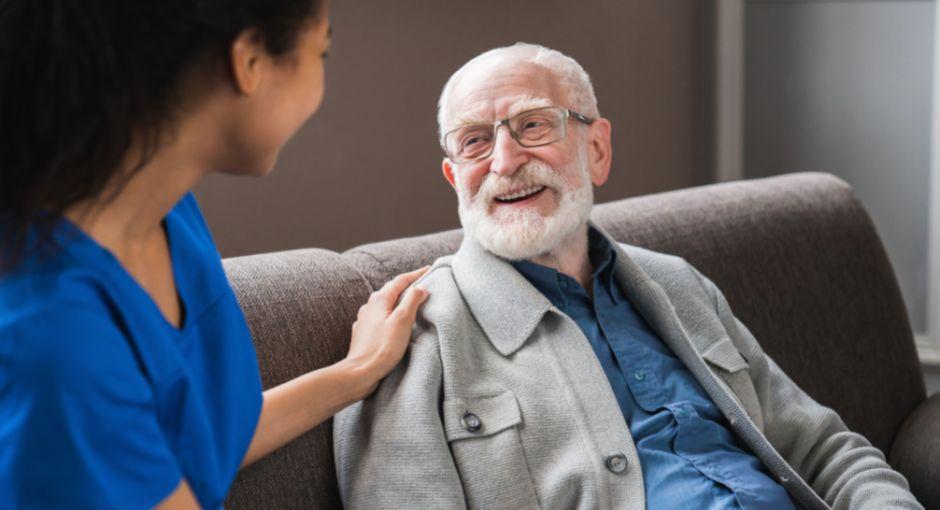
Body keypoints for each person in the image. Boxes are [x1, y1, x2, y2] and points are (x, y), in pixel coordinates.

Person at [333, 43, 923, 510]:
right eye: (475, 143)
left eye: (533, 126)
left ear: (597, 148)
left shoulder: (679, 284)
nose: (505, 162)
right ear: (452, 175)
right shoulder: (413, 337)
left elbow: (822, 449)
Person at [0, 1, 429, 508]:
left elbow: (182, 444)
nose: (321, 83)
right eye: (323, 53)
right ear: (248, 62)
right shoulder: (54, 336)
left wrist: (357, 373)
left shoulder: (165, 211)